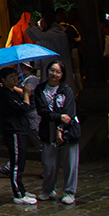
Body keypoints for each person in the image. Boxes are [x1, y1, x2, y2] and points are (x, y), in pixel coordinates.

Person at [33, 61, 79, 205]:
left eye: (58, 72)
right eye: (52, 70)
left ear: (62, 75)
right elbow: (42, 111)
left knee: (70, 163)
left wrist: (61, 128)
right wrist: (58, 117)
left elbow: (69, 113)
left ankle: (69, 191)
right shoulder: (40, 89)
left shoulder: (66, 90)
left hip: (68, 130)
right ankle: (48, 189)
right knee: (49, 163)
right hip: (48, 130)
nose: (54, 74)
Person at [0, 66, 36, 205]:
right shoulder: (5, 94)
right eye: (11, 77)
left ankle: (21, 189)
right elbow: (24, 108)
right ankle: (18, 193)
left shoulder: (13, 92)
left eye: (15, 76)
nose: (15, 79)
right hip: (13, 131)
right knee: (16, 163)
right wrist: (26, 95)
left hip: (21, 130)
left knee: (21, 162)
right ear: (3, 80)